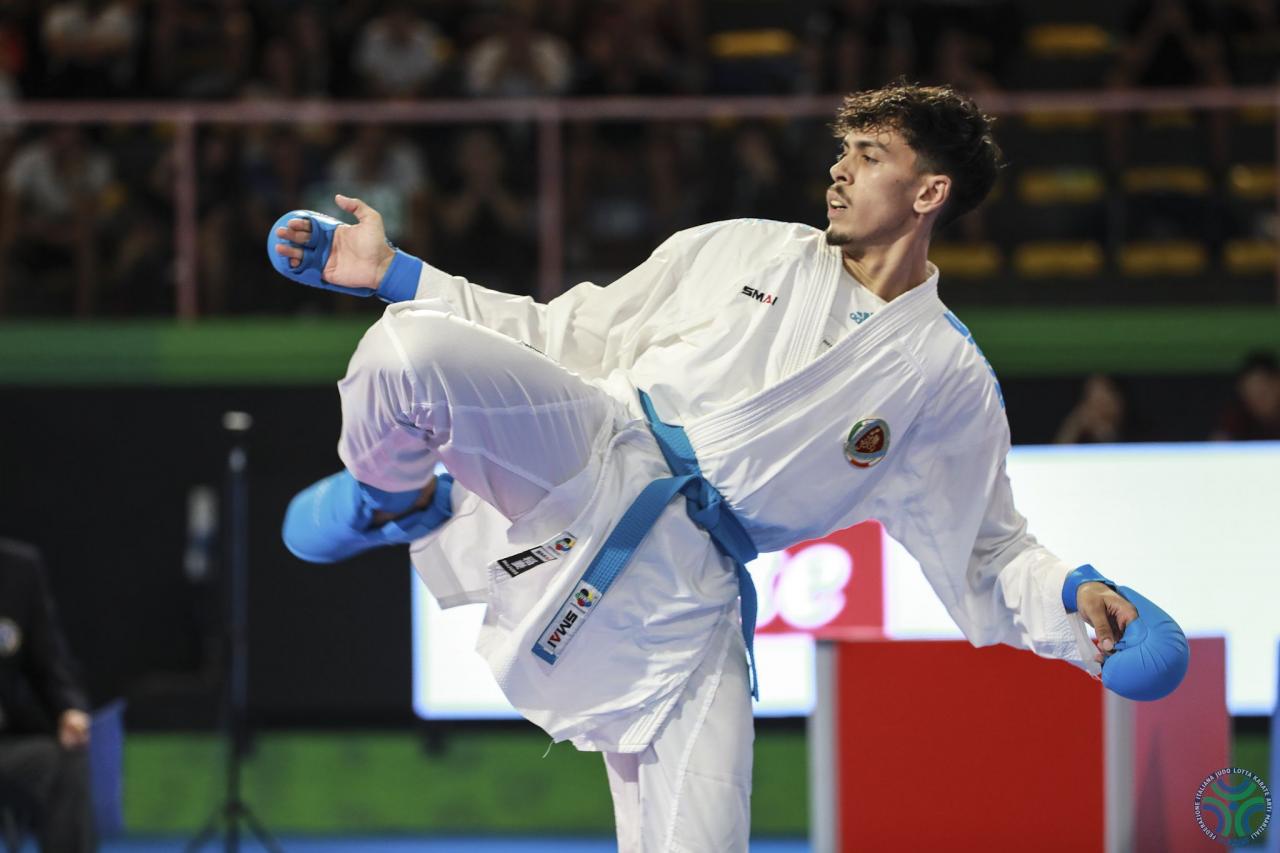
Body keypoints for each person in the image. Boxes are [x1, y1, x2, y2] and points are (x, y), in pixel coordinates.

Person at [268, 82, 1188, 851]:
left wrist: (1078, 602)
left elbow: (987, 549)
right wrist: (395, 271)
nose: (839, 166)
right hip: (592, 436)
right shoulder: (748, 248)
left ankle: (423, 496)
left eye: (869, 153)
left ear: (928, 192)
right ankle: (396, 497)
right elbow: (565, 334)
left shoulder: (943, 378)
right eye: (843, 148)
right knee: (408, 350)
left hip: (690, 582)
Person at [0, 538, 95, 852]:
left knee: (63, 764)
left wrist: (69, 710)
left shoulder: (19, 570)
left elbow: (51, 663)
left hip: (5, 748)